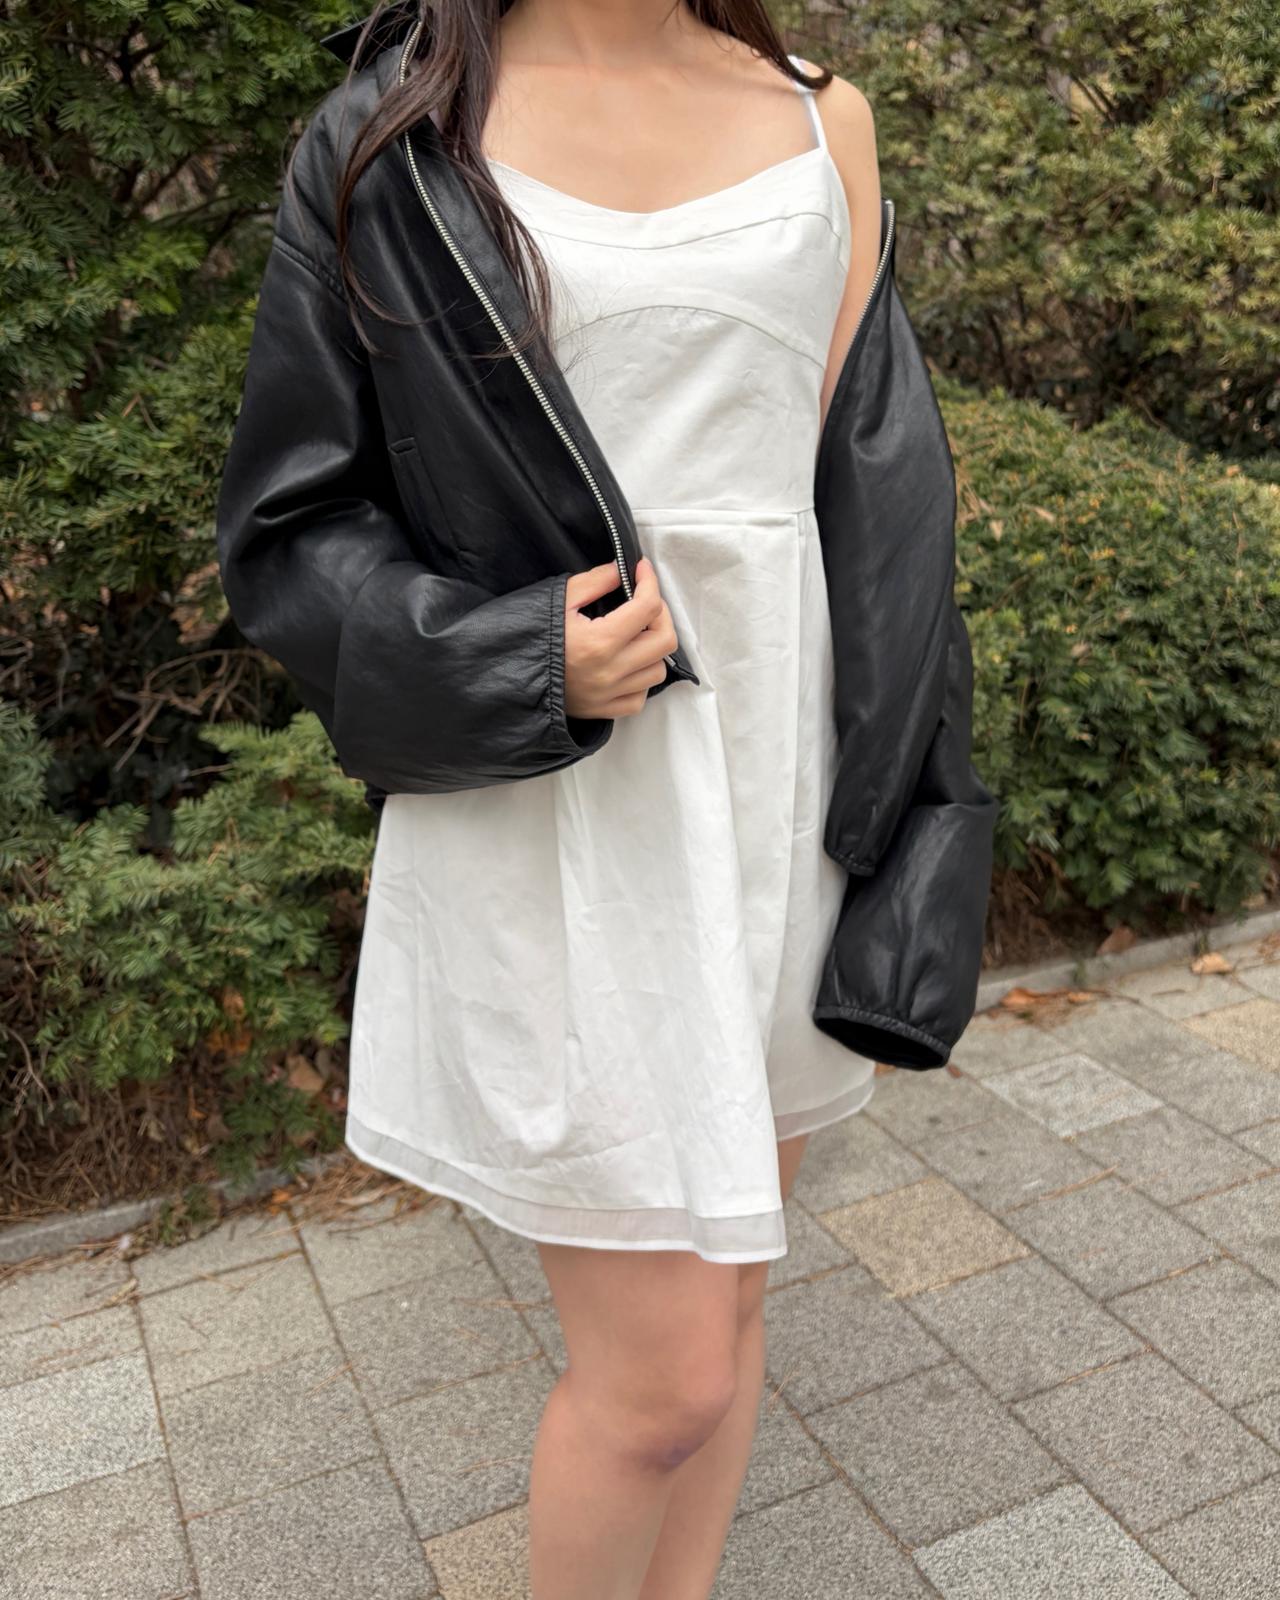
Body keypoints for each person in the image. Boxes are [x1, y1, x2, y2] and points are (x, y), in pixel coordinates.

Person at [215, 2, 997, 1593]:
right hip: (561, 810)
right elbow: (293, 526)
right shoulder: (394, 143)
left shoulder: (823, 118)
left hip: (787, 790)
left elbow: (875, 491)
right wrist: (513, 658)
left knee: (738, 1297)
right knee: (664, 1380)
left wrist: (914, 790)